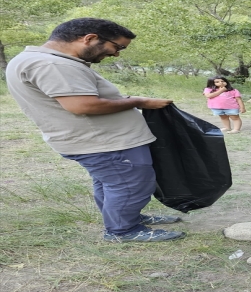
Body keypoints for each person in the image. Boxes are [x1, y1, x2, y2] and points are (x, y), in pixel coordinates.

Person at [6, 18, 185, 243]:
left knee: (112, 183)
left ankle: (127, 218)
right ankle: (123, 230)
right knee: (129, 184)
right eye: (117, 47)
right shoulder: (53, 65)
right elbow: (83, 105)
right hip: (103, 142)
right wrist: (139, 101)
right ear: (89, 38)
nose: (117, 54)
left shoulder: (39, 59)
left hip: (96, 140)